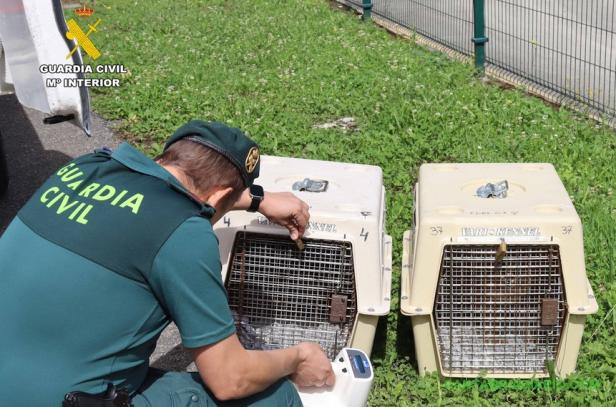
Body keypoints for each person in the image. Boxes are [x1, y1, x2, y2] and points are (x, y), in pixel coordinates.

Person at [0, 120, 335, 406]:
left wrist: (254, 200)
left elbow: (162, 196)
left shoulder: (84, 169)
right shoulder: (184, 234)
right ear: (220, 196)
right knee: (273, 397)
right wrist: (299, 357)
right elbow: (230, 379)